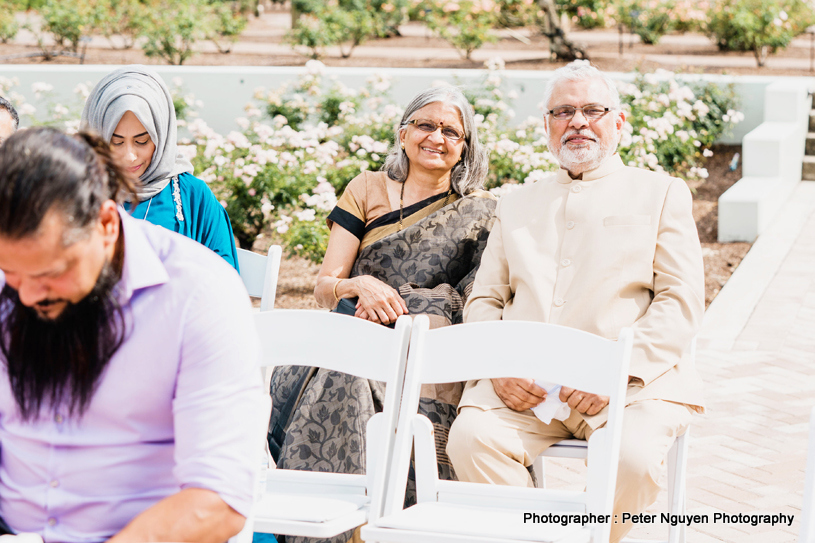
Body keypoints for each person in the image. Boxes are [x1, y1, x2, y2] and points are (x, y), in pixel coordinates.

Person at [446, 61, 705, 543]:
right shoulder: (517, 202)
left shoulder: (661, 192)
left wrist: (618, 371)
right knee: (471, 440)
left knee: (630, 460)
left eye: (592, 109)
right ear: (547, 125)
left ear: (618, 123)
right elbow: (484, 299)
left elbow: (681, 299)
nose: (578, 121)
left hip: (630, 385)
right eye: (564, 111)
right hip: (525, 385)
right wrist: (499, 364)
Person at [0, 127, 264, 541]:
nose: (28, 295)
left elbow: (217, 500)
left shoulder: (198, 293)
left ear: (105, 224)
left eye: (50, 274)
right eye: (11, 275)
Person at [268, 87, 497, 543]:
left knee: (359, 377)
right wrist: (358, 285)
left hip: (423, 350)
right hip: (345, 335)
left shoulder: (481, 210)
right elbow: (323, 286)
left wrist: (404, 304)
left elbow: (474, 300)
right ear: (404, 132)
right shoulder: (366, 188)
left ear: (465, 147)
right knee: (346, 374)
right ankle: (333, 528)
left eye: (451, 130)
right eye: (425, 125)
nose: (437, 136)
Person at [81, 65, 239, 271]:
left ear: (162, 137)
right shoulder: (79, 194)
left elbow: (225, 280)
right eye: (116, 142)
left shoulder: (192, 197)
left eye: (142, 141)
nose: (129, 156)